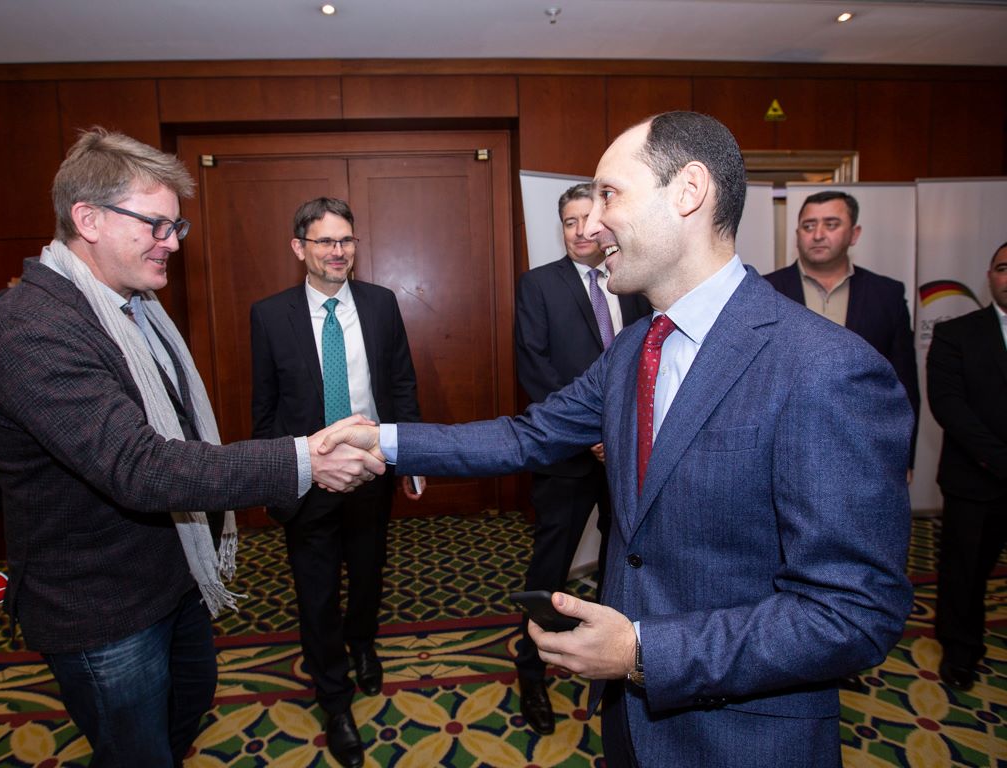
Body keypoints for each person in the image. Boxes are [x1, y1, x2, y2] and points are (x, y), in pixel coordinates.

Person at [322, 112, 914, 767]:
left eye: (610, 195)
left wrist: (642, 650)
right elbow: (527, 435)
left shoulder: (824, 367)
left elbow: (852, 614)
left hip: (744, 739)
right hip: (629, 721)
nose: (592, 223)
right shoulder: (635, 348)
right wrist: (385, 441)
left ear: (688, 191)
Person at [0, 130, 383, 768]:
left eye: (176, 226)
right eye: (157, 225)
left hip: (171, 576)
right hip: (103, 608)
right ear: (89, 220)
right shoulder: (34, 329)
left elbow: (178, 435)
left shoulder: (134, 310)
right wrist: (303, 459)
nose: (173, 242)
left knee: (181, 717)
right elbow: (140, 465)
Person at [250, 197, 423, 768]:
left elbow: (401, 382)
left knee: (368, 573)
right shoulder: (268, 315)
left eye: (346, 240)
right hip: (307, 479)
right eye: (325, 241)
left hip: (371, 471)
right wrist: (277, 474)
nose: (338, 251)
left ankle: (364, 643)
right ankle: (335, 699)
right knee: (316, 593)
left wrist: (412, 454)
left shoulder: (380, 303)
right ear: (299, 248)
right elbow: (264, 408)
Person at [513, 182, 649, 734]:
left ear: (604, 224)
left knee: (624, 562)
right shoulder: (538, 284)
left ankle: (612, 660)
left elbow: (648, 361)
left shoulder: (632, 281)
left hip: (629, 457)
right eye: (568, 222)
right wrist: (592, 433)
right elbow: (535, 369)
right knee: (549, 569)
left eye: (586, 220)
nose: (578, 231)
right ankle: (530, 673)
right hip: (567, 458)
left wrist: (620, 435)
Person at [765, 190, 920, 469]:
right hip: (784, 447)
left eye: (831, 224)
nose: (818, 235)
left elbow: (903, 381)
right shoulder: (766, 291)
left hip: (865, 448)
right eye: (809, 226)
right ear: (797, 235)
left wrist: (904, 458)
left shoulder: (887, 295)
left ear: (854, 234)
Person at [926, 241, 1007, 692]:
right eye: (1003, 267)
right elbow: (950, 408)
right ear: (989, 275)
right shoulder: (957, 334)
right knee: (965, 572)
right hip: (975, 479)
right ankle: (960, 651)